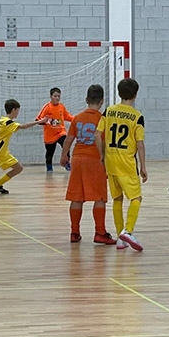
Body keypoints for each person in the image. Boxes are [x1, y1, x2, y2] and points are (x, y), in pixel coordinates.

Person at [59, 84, 117, 245]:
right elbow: (104, 142)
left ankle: (74, 232)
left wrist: (64, 155)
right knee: (99, 197)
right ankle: (100, 232)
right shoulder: (102, 119)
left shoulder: (77, 117)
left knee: (76, 197)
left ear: (86, 100)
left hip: (78, 158)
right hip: (95, 159)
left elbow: (69, 139)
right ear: (102, 101)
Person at [95, 78, 147, 251]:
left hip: (111, 161)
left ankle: (120, 238)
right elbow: (140, 143)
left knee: (117, 199)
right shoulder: (137, 117)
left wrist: (102, 154)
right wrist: (143, 167)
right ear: (135, 94)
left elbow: (97, 134)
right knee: (136, 198)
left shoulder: (108, 111)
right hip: (127, 162)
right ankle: (128, 231)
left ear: (119, 93)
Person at [36, 87, 75, 172]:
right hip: (50, 135)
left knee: (66, 145)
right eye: (55, 96)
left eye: (58, 96)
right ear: (51, 96)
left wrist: (76, 119)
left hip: (61, 132)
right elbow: (38, 120)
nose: (57, 98)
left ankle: (67, 163)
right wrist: (51, 121)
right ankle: (49, 166)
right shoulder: (47, 107)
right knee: (50, 153)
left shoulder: (61, 107)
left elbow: (67, 116)